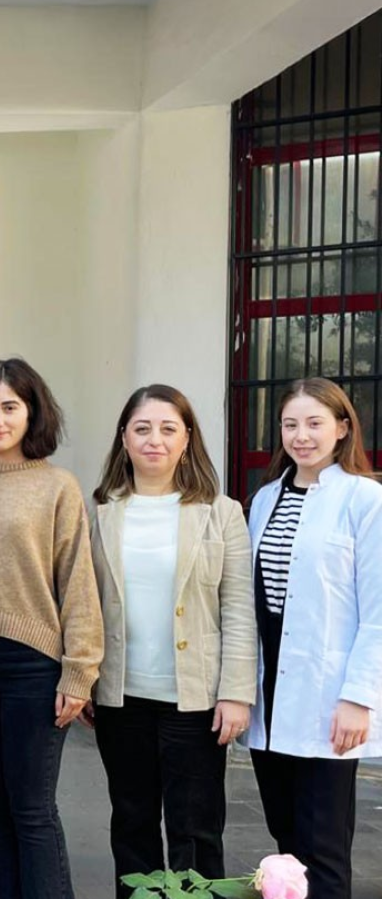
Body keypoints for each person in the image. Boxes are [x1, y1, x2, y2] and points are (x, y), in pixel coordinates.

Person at [0, 357, 102, 899]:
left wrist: (80, 672)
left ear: (32, 412)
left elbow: (78, 581)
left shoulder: (58, 486)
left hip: (34, 664)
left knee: (32, 809)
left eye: (10, 407)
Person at [88, 385, 256, 896]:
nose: (154, 440)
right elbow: (81, 602)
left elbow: (238, 608)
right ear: (124, 438)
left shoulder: (221, 512)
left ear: (187, 439)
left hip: (196, 700)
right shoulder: (98, 511)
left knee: (196, 831)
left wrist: (236, 693)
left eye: (167, 429)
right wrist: (82, 678)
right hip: (121, 698)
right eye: (142, 429)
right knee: (132, 825)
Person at [246, 377, 382, 899]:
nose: (301, 436)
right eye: (290, 424)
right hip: (271, 695)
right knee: (287, 844)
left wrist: (358, 697)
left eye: (314, 423)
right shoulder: (265, 500)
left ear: (343, 428)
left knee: (323, 848)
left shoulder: (364, 499)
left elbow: (377, 610)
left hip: (330, 697)